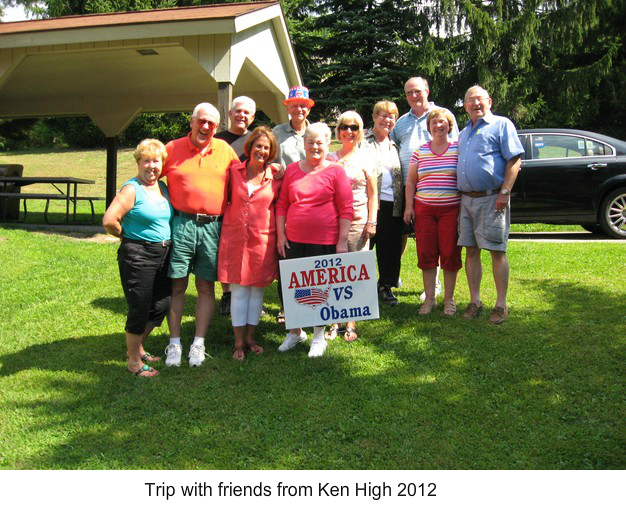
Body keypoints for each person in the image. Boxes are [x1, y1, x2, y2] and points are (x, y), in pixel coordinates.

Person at [161, 102, 240, 367]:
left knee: (206, 286)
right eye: (201, 121)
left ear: (217, 127)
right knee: (177, 285)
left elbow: (243, 179)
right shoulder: (172, 149)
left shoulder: (225, 150)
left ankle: (198, 343)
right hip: (181, 225)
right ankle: (174, 343)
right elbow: (150, 174)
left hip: (212, 228)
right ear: (192, 121)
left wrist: (273, 171)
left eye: (211, 123)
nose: (205, 126)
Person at [275, 122, 353, 357]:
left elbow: (346, 208)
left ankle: (318, 336)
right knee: (291, 287)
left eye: (320, 142)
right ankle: (295, 332)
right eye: (310, 142)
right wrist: (281, 235)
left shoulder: (336, 171)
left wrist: (341, 241)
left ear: (328, 144)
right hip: (293, 239)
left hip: (324, 240)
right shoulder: (292, 170)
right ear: (304, 144)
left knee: (319, 289)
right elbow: (282, 204)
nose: (315, 147)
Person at [102, 139, 173, 377]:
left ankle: (138, 347)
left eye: (156, 161)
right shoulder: (132, 189)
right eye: (146, 161)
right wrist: (127, 236)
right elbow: (109, 220)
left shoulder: (162, 187)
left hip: (163, 253)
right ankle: (133, 361)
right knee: (139, 306)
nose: (152, 166)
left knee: (162, 303)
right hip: (138, 255)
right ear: (138, 163)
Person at [456, 85, 524, 324]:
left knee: (497, 251)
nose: (475, 103)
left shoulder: (501, 124)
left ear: (490, 101)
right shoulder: (464, 132)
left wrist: (505, 192)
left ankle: (501, 305)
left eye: (479, 99)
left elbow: (514, 160)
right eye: (470, 100)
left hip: (492, 198)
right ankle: (475, 301)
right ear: (465, 106)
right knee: (471, 250)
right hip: (466, 200)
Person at [391, 77, 459, 301]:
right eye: (409, 92)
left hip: (441, 190)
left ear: (427, 91)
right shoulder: (401, 122)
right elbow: (391, 145)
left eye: (417, 91)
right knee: (405, 235)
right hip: (408, 186)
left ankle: (436, 286)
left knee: (442, 241)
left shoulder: (443, 115)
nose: (413, 96)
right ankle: (394, 275)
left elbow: (456, 147)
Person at [217, 127, 282, 361]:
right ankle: (238, 343)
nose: (261, 151)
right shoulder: (233, 172)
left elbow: (281, 207)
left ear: (271, 152)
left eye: (266, 147)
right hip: (234, 238)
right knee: (239, 290)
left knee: (257, 291)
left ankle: (251, 338)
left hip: (262, 239)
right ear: (250, 147)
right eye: (258, 146)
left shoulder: (275, 177)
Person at [325, 111, 377, 342]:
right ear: (338, 130)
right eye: (345, 127)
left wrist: (372, 221)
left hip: (358, 222)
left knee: (353, 272)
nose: (349, 131)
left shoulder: (366, 158)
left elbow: (373, 194)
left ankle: (350, 322)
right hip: (331, 222)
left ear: (360, 131)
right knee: (333, 272)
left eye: (354, 127)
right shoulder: (329, 158)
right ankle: (334, 321)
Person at [404, 109, 462, 316]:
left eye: (442, 122)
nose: (438, 125)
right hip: (424, 210)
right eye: (434, 122)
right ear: (429, 127)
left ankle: (449, 300)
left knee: (450, 253)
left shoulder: (458, 149)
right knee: (426, 254)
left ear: (449, 125)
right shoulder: (420, 151)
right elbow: (411, 181)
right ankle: (429, 300)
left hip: (451, 209)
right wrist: (409, 207)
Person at [272, 85, 315, 324]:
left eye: (303, 106)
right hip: (285, 199)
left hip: (313, 201)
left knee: (309, 255)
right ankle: (286, 307)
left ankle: (310, 303)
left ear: (308, 109)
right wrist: (274, 166)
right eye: (295, 105)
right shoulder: (277, 132)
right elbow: (267, 158)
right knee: (286, 253)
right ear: (288, 107)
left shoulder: (316, 131)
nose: (299, 109)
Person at [214, 96, 257, 316]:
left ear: (253, 117)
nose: (242, 115)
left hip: (249, 206)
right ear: (230, 114)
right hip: (222, 203)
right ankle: (228, 294)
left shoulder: (255, 140)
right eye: (238, 111)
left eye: (246, 112)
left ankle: (247, 293)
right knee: (225, 252)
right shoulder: (217, 140)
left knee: (248, 251)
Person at [364, 100, 403, 306]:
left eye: (391, 117)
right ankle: (361, 287)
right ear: (374, 117)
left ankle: (385, 286)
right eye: (383, 115)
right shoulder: (363, 142)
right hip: (368, 204)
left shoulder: (395, 145)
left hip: (392, 205)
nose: (387, 120)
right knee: (365, 246)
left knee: (390, 249)